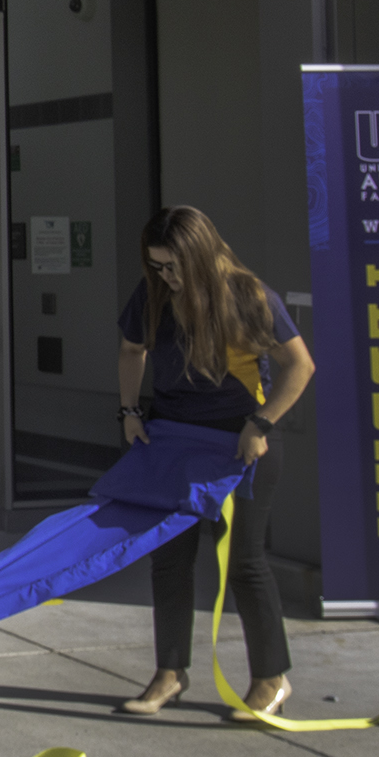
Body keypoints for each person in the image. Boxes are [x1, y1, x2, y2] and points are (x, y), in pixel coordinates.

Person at [114, 206, 316, 721]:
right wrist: (131, 412)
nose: (167, 276)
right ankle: (170, 674)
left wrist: (261, 424)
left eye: (175, 266)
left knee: (245, 563)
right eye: (158, 266)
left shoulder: (248, 296)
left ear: (201, 255)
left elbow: (300, 366)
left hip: (241, 443)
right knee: (170, 559)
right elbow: (131, 351)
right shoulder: (154, 295)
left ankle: (271, 679)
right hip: (174, 440)